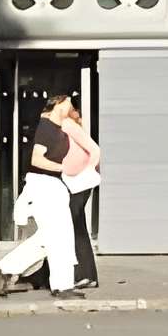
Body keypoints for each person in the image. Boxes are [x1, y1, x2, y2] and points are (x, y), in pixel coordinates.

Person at [0, 94, 85, 299]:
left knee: (55, 237)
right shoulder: (46, 127)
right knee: (57, 236)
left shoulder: (59, 128)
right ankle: (60, 285)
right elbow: (37, 159)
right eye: (69, 102)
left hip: (53, 186)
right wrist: (64, 168)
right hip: (44, 186)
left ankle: (9, 268)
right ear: (59, 104)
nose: (72, 106)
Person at [53, 96, 103, 293]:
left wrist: (88, 171)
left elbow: (95, 149)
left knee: (74, 225)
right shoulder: (62, 126)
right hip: (74, 182)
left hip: (80, 182)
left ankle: (84, 274)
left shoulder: (67, 124)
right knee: (77, 226)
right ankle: (87, 275)